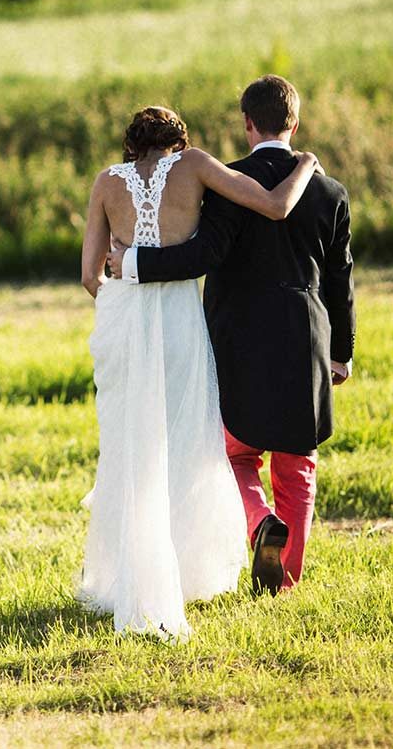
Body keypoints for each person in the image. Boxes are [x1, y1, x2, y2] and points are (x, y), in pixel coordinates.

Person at [76, 104, 322, 637]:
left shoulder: (105, 182)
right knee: (187, 441)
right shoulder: (195, 166)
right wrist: (305, 162)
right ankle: (184, 573)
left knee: (131, 448)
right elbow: (276, 207)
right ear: (178, 142)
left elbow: (90, 276)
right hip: (182, 322)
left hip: (126, 321)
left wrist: (128, 292)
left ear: (131, 145)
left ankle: (129, 576)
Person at [106, 75, 354, 594]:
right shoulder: (329, 191)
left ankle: (257, 519)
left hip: (234, 338)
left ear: (246, 123)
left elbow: (203, 256)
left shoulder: (226, 182)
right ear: (296, 123)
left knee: (234, 454)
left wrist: (133, 262)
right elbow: (339, 277)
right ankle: (284, 581)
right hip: (304, 339)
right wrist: (341, 353)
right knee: (298, 464)